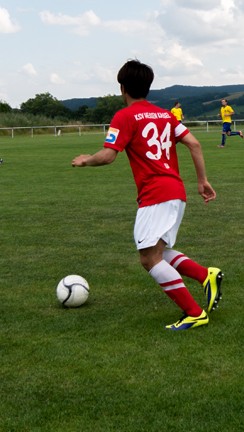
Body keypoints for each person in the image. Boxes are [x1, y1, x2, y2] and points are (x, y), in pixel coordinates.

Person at [72, 60, 221, 331]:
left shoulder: (125, 116)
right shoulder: (166, 115)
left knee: (148, 258)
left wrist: (84, 161)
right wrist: (202, 181)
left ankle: (194, 312)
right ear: (149, 87)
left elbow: (107, 156)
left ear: (122, 87)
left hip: (156, 194)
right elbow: (194, 143)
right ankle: (205, 275)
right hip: (175, 192)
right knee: (157, 252)